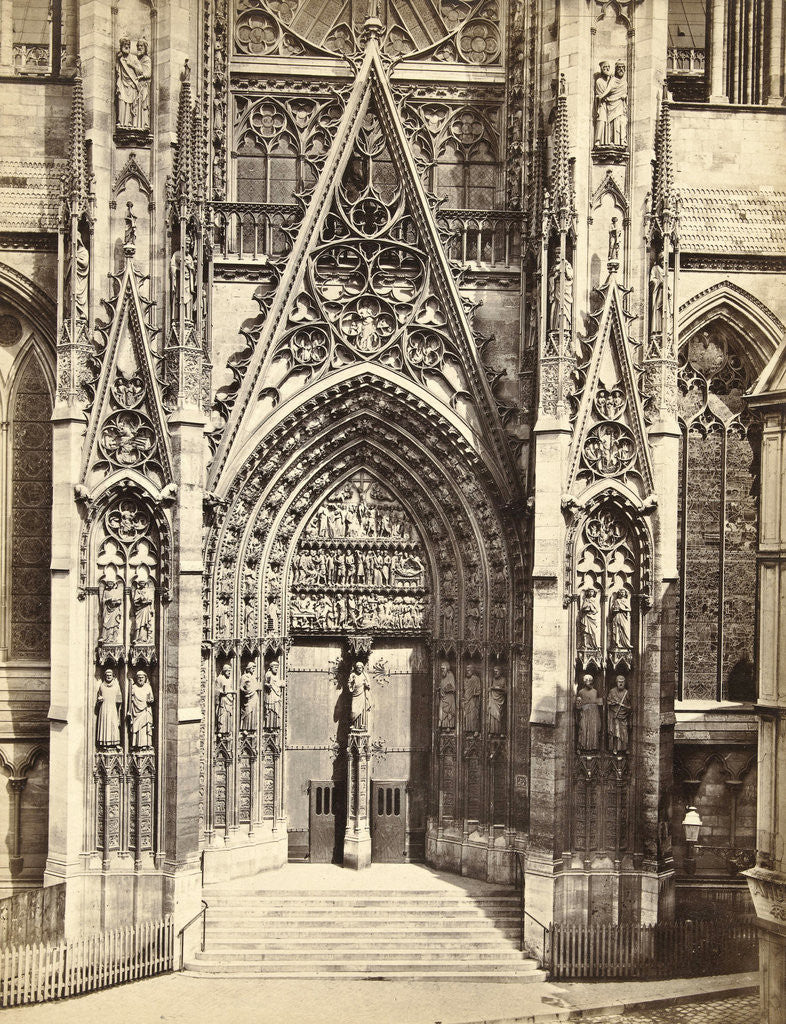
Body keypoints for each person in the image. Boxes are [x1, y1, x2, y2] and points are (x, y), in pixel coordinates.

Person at [96, 668, 122, 747]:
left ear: (113, 676)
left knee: (113, 725)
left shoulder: (116, 686)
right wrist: (99, 700)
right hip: (104, 708)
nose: (108, 677)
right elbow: (99, 697)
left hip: (113, 708)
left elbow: (119, 698)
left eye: (110, 675)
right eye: (107, 675)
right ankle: (104, 743)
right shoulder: (102, 686)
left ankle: (114, 743)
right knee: (105, 724)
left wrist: (118, 704)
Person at [575, 675, 602, 751]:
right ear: (584, 682)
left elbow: (599, 703)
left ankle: (593, 747)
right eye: (586, 680)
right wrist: (581, 706)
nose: (588, 682)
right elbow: (578, 705)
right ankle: (582, 747)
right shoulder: (581, 692)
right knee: (583, 729)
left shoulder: (595, 692)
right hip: (584, 713)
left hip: (594, 714)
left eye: (590, 680)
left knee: (593, 730)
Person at [129, 669, 155, 748]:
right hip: (136, 712)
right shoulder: (133, 687)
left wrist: (150, 700)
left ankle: (146, 744)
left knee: (145, 728)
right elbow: (130, 701)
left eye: (142, 677)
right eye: (139, 677)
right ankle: (135, 745)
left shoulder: (148, 686)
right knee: (136, 727)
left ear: (145, 678)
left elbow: (151, 698)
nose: (140, 679)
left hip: (145, 710)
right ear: (136, 678)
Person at [607, 675, 631, 753]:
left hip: (624, 715)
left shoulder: (626, 692)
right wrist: (613, 703)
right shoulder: (612, 691)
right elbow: (608, 702)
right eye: (619, 682)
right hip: (615, 715)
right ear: (616, 683)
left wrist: (627, 708)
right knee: (616, 732)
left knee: (624, 732)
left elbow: (630, 705)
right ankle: (615, 748)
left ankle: (626, 748)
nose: (620, 684)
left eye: (622, 682)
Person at [347, 661, 371, 731]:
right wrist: (352, 682)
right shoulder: (352, 675)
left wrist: (366, 684)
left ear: (363, 668)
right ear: (356, 668)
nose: (360, 669)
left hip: (362, 694)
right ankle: (353, 724)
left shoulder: (365, 675)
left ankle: (361, 725)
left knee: (361, 710)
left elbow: (369, 685)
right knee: (353, 710)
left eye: (361, 668)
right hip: (355, 695)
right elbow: (349, 685)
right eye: (358, 668)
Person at [487, 665, 507, 734]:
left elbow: (506, 690)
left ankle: (500, 732)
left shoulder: (503, 679)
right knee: (492, 715)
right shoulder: (493, 679)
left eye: (496, 671)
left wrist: (497, 688)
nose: (495, 673)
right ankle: (492, 731)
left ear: (500, 672)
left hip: (500, 700)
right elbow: (489, 688)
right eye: (494, 672)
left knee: (499, 715)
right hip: (493, 699)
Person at [239, 663, 259, 733]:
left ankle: (252, 728)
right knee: (247, 712)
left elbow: (256, 686)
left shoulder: (253, 677)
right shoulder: (244, 676)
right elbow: (241, 687)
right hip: (247, 697)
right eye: (252, 668)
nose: (253, 670)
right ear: (248, 668)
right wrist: (245, 691)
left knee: (253, 712)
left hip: (254, 696)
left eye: (254, 668)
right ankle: (244, 728)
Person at [463, 664, 482, 733]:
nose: (467, 672)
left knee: (474, 715)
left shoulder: (476, 679)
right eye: (466, 670)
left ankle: (475, 730)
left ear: (472, 670)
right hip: (466, 700)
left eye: (469, 670)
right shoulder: (465, 679)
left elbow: (479, 690)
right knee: (467, 715)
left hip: (474, 700)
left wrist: (475, 693)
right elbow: (464, 689)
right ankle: (468, 730)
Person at [264, 660, 282, 730]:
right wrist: (269, 685)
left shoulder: (276, 676)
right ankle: (269, 726)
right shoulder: (268, 674)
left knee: (276, 709)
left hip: (276, 695)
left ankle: (275, 725)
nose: (276, 669)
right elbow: (266, 683)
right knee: (270, 710)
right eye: (275, 667)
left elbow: (277, 684)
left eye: (277, 667)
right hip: (270, 695)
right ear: (271, 667)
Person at [438, 662, 456, 729]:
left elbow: (453, 688)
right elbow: (441, 686)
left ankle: (448, 726)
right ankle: (443, 725)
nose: (442, 670)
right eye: (441, 669)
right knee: (442, 710)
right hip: (443, 697)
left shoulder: (450, 675)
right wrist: (440, 689)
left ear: (447, 668)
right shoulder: (442, 677)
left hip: (449, 696)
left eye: (443, 668)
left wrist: (447, 689)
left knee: (449, 711)